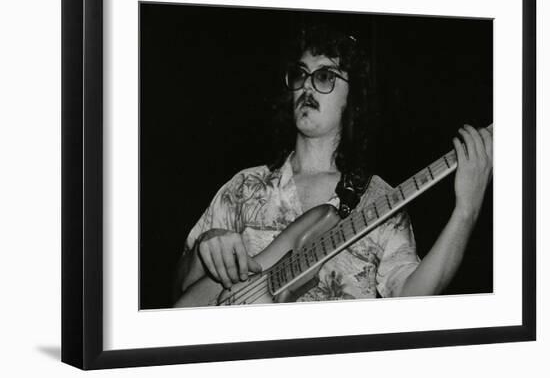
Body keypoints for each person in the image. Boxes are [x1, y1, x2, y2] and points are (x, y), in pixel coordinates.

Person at [172, 22, 493, 304]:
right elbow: (180, 293)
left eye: (325, 76)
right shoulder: (244, 187)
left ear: (353, 100)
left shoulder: (379, 199)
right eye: (300, 75)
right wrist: (205, 246)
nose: (307, 85)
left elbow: (411, 296)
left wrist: (466, 211)